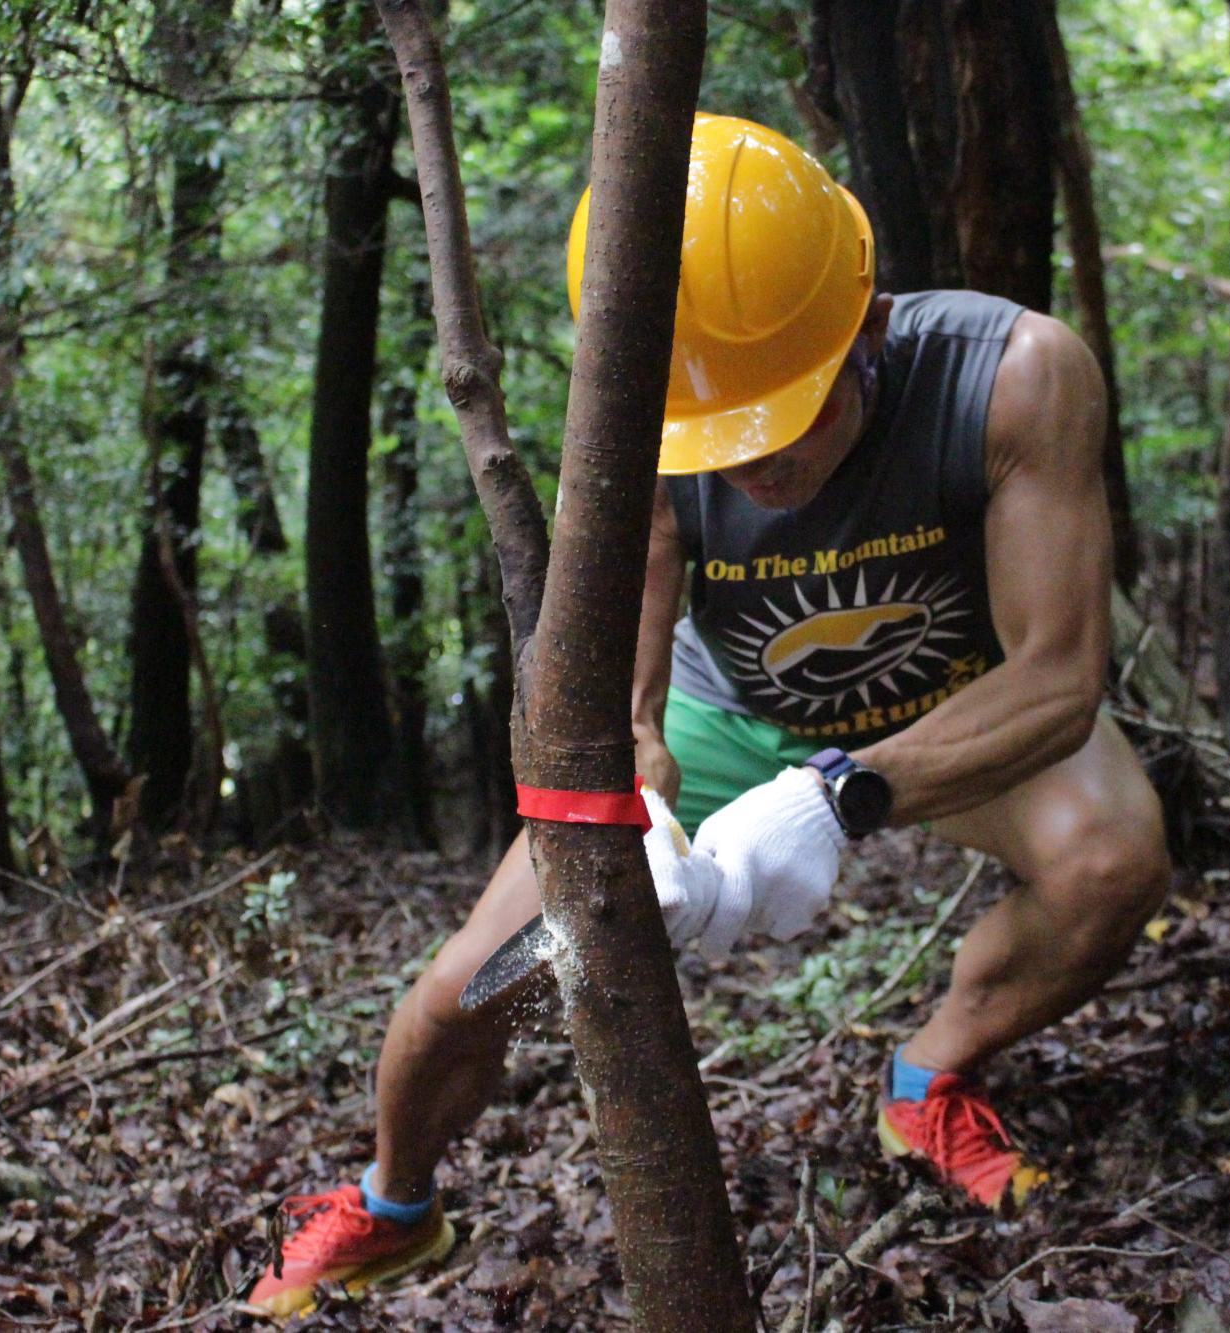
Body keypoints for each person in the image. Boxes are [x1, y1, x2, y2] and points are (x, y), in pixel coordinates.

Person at [247, 112, 1171, 1319]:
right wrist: (643, 803)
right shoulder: (637, 424)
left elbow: (1056, 677)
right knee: (471, 990)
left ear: (862, 322)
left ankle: (926, 1076)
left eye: (782, 424)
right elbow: (624, 689)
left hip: (956, 708)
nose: (755, 469)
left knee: (1112, 863)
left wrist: (840, 795)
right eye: (720, 443)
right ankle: (394, 1202)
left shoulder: (1009, 377)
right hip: (727, 709)